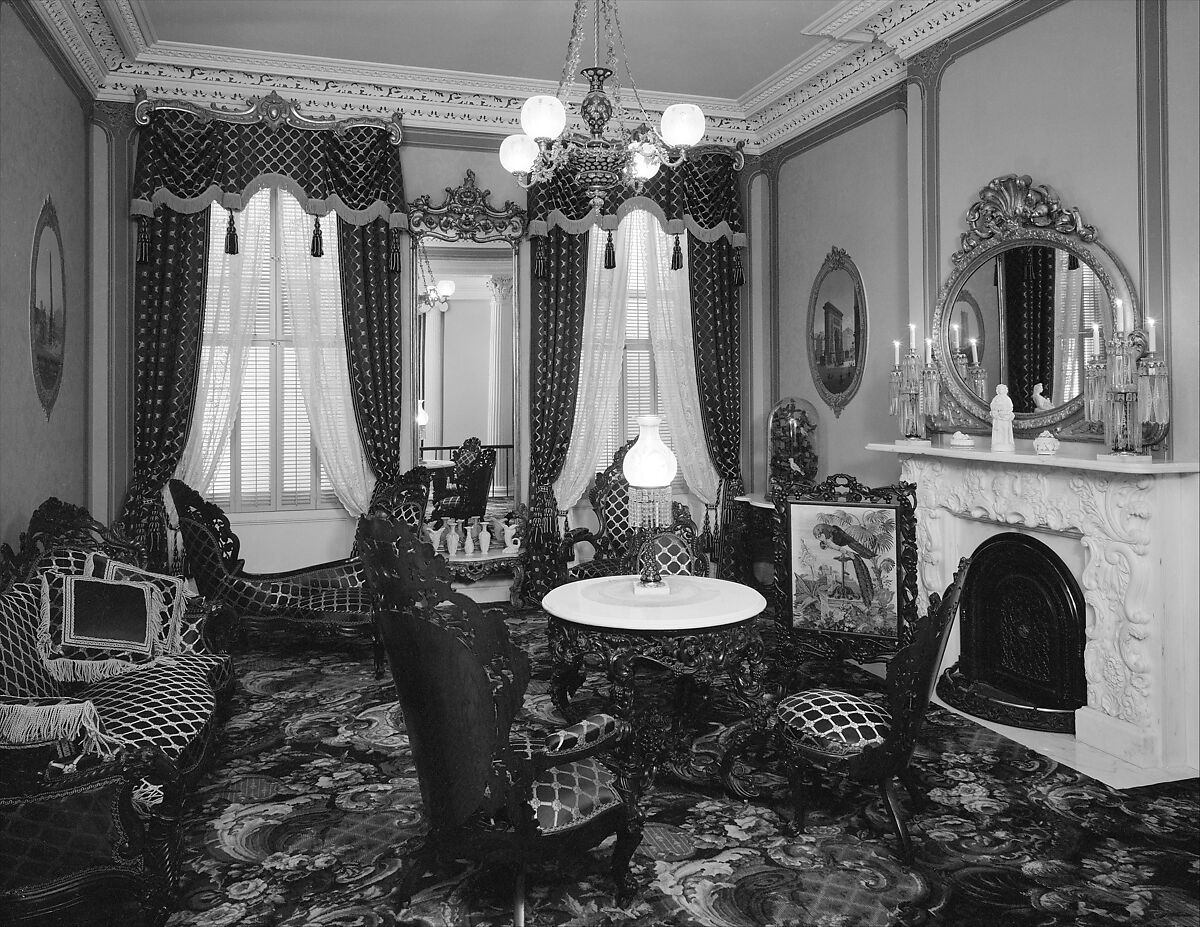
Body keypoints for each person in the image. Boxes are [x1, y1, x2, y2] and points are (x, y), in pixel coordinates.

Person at [990, 383, 1016, 453]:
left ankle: (1006, 442)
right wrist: (996, 411)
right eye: (999, 389)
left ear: (1005, 390)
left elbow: (1010, 407)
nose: (1001, 390)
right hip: (998, 417)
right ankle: (998, 442)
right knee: (999, 430)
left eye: (1002, 389)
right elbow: (992, 406)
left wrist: (1005, 412)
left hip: (1005, 417)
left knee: (1005, 430)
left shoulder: (1007, 399)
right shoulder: (996, 398)